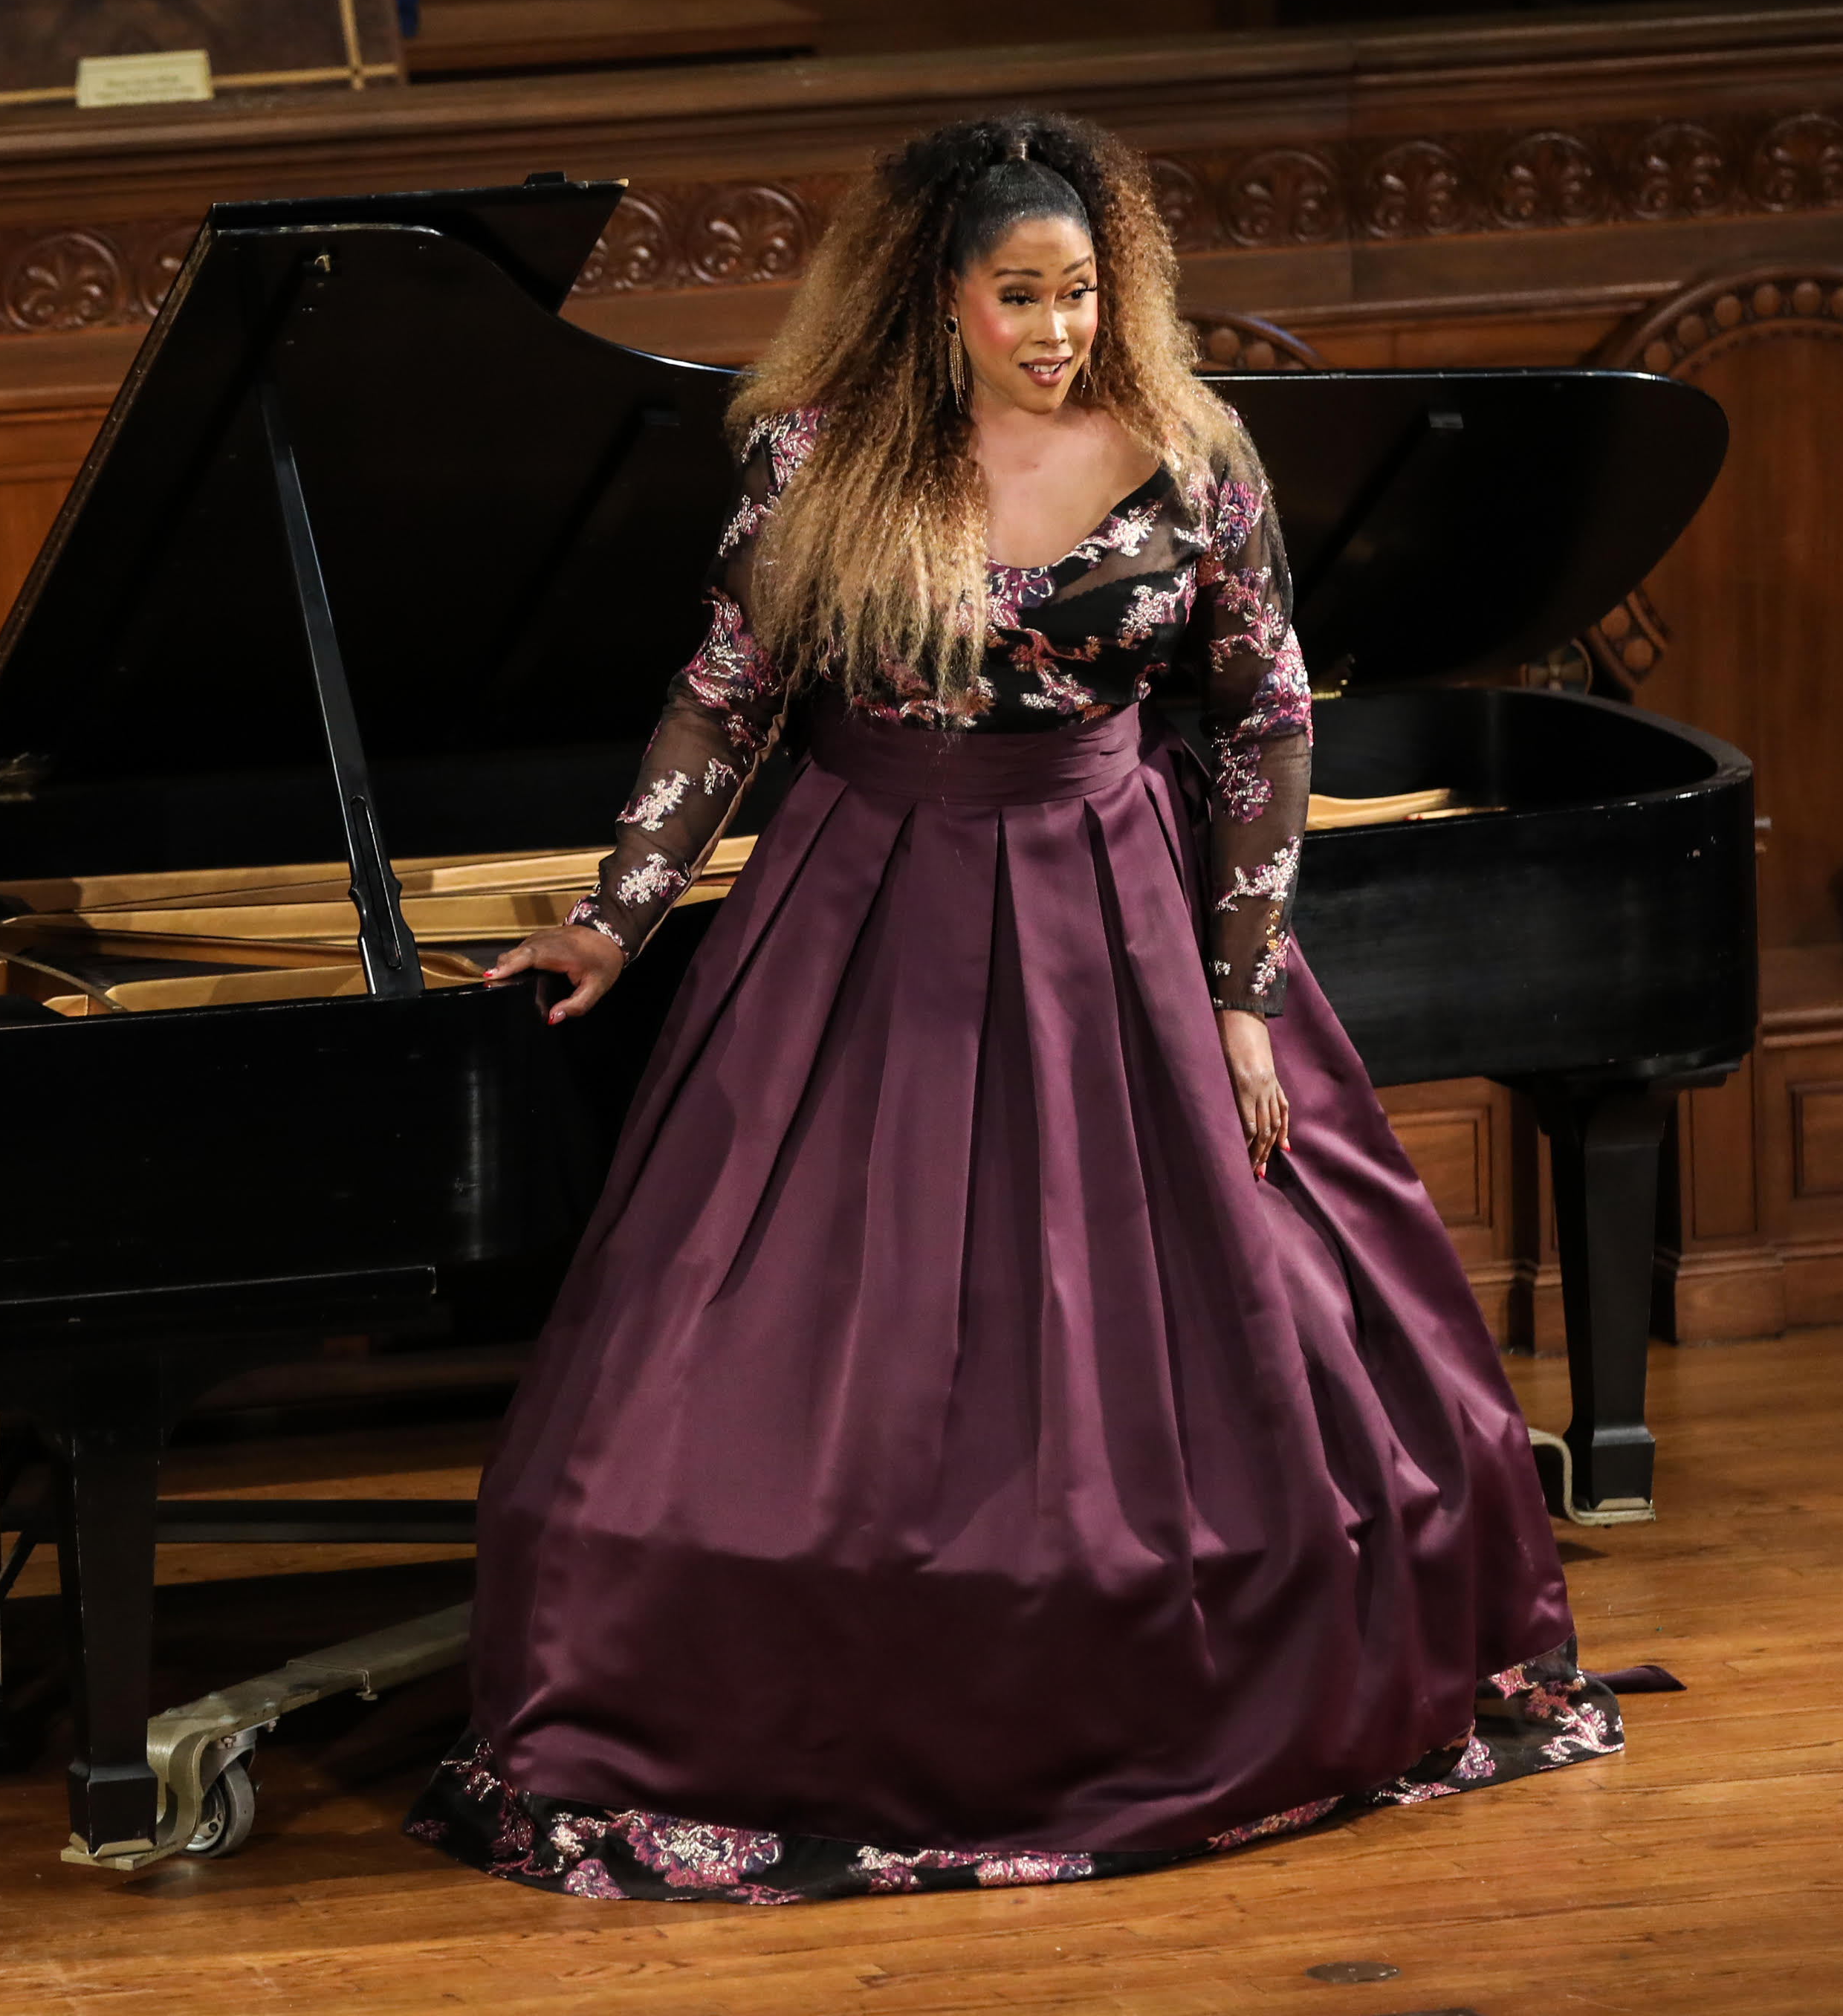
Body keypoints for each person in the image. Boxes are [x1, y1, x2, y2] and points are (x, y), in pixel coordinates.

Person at [410, 113, 1621, 1902]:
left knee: (1221, 1351)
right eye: (1021, 296)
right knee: (813, 1337)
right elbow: (725, 699)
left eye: (1082, 291)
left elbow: (1273, 725)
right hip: (859, 911)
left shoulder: (1196, 459)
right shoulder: (816, 458)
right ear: (936, 298)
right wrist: (612, 917)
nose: (1060, 328)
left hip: (1114, 913)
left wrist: (1248, 1005)